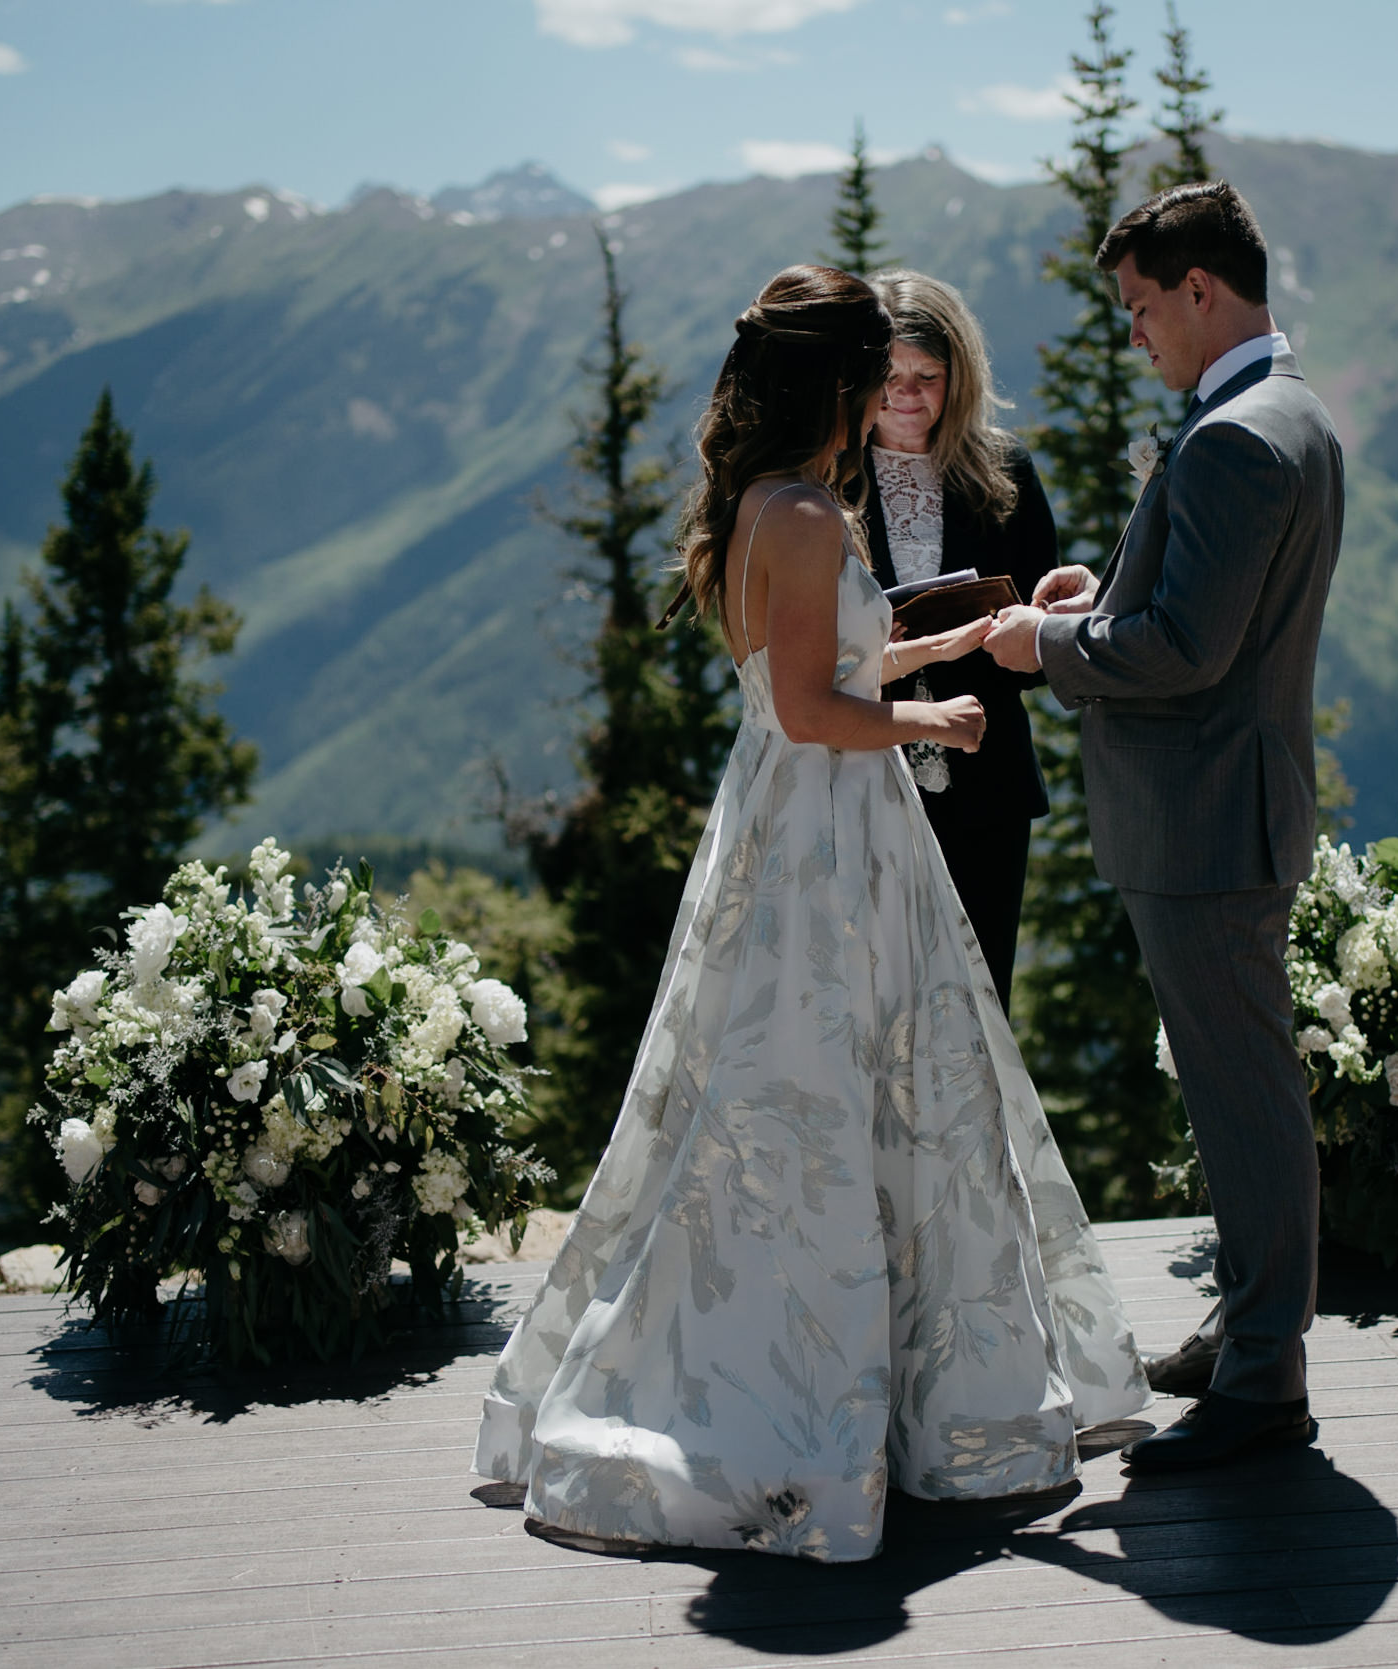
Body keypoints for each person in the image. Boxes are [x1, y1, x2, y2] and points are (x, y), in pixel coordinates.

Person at [474, 265, 1148, 1562]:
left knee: (817, 1083)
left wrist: (946, 648)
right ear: (838, 387)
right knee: (843, 1088)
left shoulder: (762, 506)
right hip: (826, 829)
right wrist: (929, 720)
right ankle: (825, 1391)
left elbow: (834, 659)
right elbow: (811, 710)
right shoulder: (801, 516)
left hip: (805, 822)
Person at [985, 182, 1345, 1473]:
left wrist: (1045, 643)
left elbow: (1190, 650)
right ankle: (1248, 1329)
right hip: (1226, 811)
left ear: (1203, 290)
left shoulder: (1233, 438)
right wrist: (1106, 592)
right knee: (1235, 1089)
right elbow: (1202, 606)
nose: (1134, 331)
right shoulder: (1285, 414)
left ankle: (1264, 1380)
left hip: (1203, 824)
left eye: (1141, 306)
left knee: (1245, 1102)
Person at [861, 270, 1060, 1007]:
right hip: (861, 775)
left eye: (927, 375)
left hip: (986, 786)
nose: (905, 393)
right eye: (887, 374)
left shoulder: (1005, 469)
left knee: (977, 1005)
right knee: (870, 1011)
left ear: (959, 376)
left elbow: (1043, 638)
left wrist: (1025, 635)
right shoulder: (825, 478)